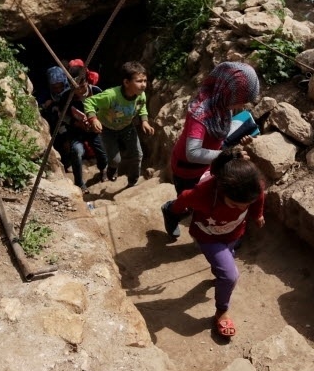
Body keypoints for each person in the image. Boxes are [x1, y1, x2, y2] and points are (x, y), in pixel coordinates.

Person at [164, 149, 265, 338]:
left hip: (233, 233)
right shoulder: (204, 193)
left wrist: (257, 214)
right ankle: (221, 311)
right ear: (221, 189)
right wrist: (174, 211)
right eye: (235, 205)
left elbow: (259, 196)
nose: (242, 208)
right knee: (230, 276)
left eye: (246, 204)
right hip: (208, 237)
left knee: (227, 260)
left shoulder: (252, 185)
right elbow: (184, 197)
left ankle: (220, 274)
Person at [162, 61, 260, 238]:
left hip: (210, 164)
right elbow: (193, 153)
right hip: (187, 169)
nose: (241, 106)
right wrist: (227, 154)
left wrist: (239, 138)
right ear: (228, 93)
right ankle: (171, 210)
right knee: (190, 200)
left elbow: (219, 136)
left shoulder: (222, 105)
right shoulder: (200, 115)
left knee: (206, 198)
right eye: (239, 101)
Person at [83, 61, 154, 187]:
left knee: (138, 155)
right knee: (116, 160)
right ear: (126, 83)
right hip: (107, 129)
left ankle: (132, 181)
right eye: (139, 81)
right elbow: (89, 102)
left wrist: (144, 121)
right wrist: (93, 119)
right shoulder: (111, 96)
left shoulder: (141, 95)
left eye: (145, 80)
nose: (143, 85)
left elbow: (141, 106)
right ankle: (112, 168)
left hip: (127, 127)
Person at [57, 65, 107, 194]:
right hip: (75, 130)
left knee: (101, 151)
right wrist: (75, 122)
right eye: (75, 88)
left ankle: (103, 170)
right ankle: (79, 182)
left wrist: (96, 120)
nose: (79, 91)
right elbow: (62, 116)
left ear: (87, 81)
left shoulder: (96, 92)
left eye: (82, 86)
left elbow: (106, 110)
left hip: (93, 129)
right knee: (77, 151)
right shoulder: (66, 97)